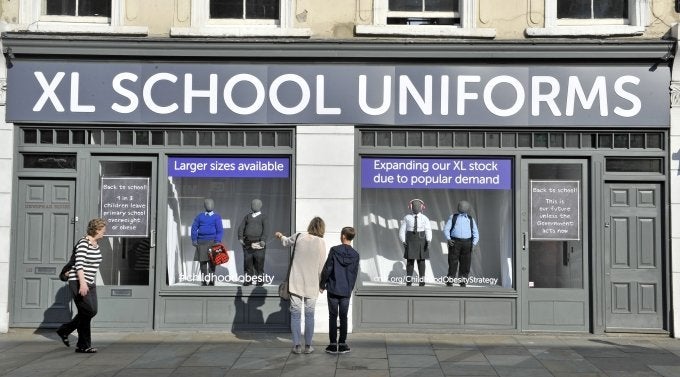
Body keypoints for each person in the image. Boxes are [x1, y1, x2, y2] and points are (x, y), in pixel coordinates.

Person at [274, 217, 327, 355]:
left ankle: (297, 346)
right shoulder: (321, 242)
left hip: (295, 283)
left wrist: (280, 236)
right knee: (310, 316)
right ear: (322, 228)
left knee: (296, 315)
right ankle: (308, 346)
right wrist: (322, 285)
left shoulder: (299, 236)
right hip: (312, 284)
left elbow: (285, 242)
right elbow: (322, 266)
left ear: (310, 226)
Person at [56, 218, 106, 353]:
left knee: (90, 311)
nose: (104, 233)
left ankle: (68, 333)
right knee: (88, 311)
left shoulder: (95, 244)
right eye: (102, 230)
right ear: (96, 230)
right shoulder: (84, 243)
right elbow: (79, 264)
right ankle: (81, 343)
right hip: (78, 281)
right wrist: (82, 284)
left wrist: (88, 283)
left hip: (90, 282)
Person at [320, 226, 360, 354]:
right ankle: (342, 344)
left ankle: (332, 344)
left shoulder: (334, 250)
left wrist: (322, 284)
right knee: (344, 317)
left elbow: (328, 269)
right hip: (346, 290)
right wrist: (350, 288)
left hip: (333, 288)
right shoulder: (355, 255)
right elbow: (354, 274)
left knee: (332, 316)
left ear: (343, 236)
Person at [443, 200, 479, 287]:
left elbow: (475, 232)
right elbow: (446, 229)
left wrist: (474, 243)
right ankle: (450, 280)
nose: (460, 207)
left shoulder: (470, 219)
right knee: (452, 262)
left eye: (462, 206)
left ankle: (463, 280)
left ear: (468, 208)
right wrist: (448, 238)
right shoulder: (453, 217)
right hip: (455, 242)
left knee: (466, 263)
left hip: (467, 243)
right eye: (459, 206)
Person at [399, 199, 432, 286]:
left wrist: (429, 240)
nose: (416, 207)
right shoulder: (407, 217)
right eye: (414, 206)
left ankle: (422, 280)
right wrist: (403, 240)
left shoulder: (425, 218)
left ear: (422, 207)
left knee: (421, 262)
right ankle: (409, 280)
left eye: (418, 206)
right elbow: (402, 230)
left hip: (422, 240)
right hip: (410, 240)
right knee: (410, 261)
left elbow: (428, 230)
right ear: (410, 207)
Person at [191, 198, 224, 286]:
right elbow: (194, 228)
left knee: (212, 262)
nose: (210, 205)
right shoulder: (200, 216)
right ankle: (204, 281)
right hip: (201, 242)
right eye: (208, 204)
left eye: (211, 204)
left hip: (212, 242)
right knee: (202, 263)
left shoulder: (217, 217)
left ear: (214, 205)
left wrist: (217, 241)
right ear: (204, 205)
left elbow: (220, 230)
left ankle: (212, 281)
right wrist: (194, 239)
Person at [237, 199, 269, 286]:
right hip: (248, 244)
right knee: (248, 263)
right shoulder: (247, 216)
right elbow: (241, 227)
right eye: (252, 204)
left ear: (260, 205)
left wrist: (263, 240)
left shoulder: (263, 217)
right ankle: (248, 280)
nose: (253, 206)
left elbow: (266, 230)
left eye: (255, 204)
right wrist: (240, 237)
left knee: (259, 263)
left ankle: (260, 280)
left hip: (259, 243)